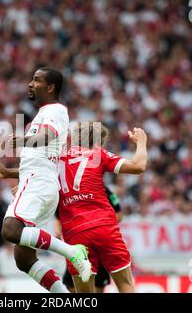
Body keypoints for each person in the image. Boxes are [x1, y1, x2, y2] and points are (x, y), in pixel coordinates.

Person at [0, 67, 91, 293]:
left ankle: (72, 252)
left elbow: (48, 136)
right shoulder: (44, 113)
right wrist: (9, 173)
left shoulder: (55, 110)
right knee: (23, 258)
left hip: (38, 183)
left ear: (50, 87)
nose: (30, 84)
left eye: (36, 80)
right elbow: (42, 157)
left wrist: (24, 140)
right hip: (40, 181)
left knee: (10, 230)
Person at [58, 122, 147, 292]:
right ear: (99, 142)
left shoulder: (57, 159)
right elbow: (138, 166)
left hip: (74, 233)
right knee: (126, 284)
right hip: (103, 226)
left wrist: (9, 174)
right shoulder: (97, 154)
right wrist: (141, 142)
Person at [61, 186, 122, 293]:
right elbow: (59, 214)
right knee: (72, 282)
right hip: (78, 238)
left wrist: (103, 223)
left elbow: (119, 213)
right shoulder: (68, 190)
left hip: (99, 239)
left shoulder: (103, 189)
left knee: (99, 283)